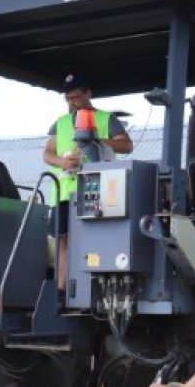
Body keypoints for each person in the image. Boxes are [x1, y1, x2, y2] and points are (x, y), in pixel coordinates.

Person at [42, 73, 134, 286]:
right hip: (64, 193)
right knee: (62, 241)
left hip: (98, 192)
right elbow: (47, 154)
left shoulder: (106, 119)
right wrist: (62, 162)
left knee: (93, 238)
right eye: (67, 98)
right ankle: (61, 291)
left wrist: (96, 141)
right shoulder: (60, 123)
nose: (71, 102)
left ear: (88, 94)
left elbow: (126, 145)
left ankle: (91, 289)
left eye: (75, 97)